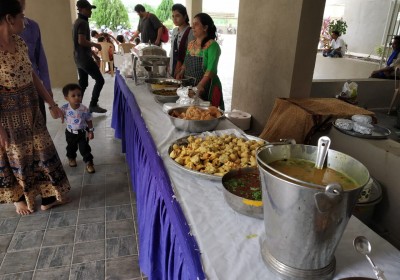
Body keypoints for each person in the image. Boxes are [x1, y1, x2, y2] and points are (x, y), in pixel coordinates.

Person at [0, 0, 70, 215]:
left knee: (42, 149)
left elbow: (33, 76)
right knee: (16, 155)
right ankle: (19, 198)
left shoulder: (20, 42)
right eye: (21, 16)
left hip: (31, 107)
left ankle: (49, 196)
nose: (25, 20)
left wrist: (52, 103)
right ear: (9, 19)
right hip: (8, 116)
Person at [176, 13, 225, 110]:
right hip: (191, 87)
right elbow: (186, 61)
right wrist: (181, 72)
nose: (192, 27)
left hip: (207, 87)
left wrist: (200, 86)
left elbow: (211, 69)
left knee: (207, 114)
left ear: (205, 27)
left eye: (196, 24)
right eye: (192, 24)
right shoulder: (191, 44)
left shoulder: (212, 45)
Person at [17, 0, 53, 122]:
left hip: (34, 88)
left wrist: (47, 89)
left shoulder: (32, 27)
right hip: (10, 98)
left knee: (40, 128)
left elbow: (40, 60)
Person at [73, 0, 107, 113]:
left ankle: (76, 106)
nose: (90, 11)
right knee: (100, 80)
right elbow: (81, 41)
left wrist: (94, 55)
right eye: (88, 9)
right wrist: (95, 44)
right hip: (84, 59)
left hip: (78, 58)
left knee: (83, 83)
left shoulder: (77, 22)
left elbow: (82, 43)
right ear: (81, 9)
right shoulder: (83, 23)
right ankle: (93, 104)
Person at [61, 84, 96, 174]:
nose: (77, 97)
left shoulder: (84, 109)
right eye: (73, 96)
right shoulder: (64, 108)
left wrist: (91, 131)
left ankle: (89, 163)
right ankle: (71, 157)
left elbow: (89, 120)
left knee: (85, 148)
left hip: (82, 132)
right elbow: (56, 115)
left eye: (79, 95)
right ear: (66, 98)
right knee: (71, 147)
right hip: (70, 133)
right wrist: (52, 107)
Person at [169, 4, 194, 78]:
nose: (174, 19)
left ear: (185, 16)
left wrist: (182, 68)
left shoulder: (190, 32)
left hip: (184, 70)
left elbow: (190, 53)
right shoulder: (174, 31)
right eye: (173, 16)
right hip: (172, 66)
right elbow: (172, 49)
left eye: (177, 16)